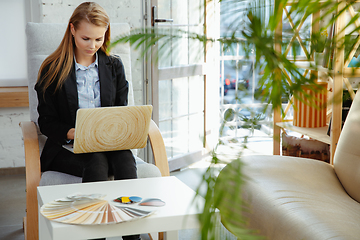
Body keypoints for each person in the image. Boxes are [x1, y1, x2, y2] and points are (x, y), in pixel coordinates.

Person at [35, 2, 140, 240]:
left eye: (99, 39)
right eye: (86, 38)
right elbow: (46, 122)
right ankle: (94, 236)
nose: (92, 46)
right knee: (96, 163)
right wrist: (73, 132)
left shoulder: (114, 66)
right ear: (72, 30)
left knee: (125, 160)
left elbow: (120, 111)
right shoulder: (52, 69)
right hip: (67, 145)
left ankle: (132, 234)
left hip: (109, 142)